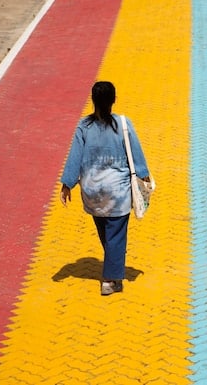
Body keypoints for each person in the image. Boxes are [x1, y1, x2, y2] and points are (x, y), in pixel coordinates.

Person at [60, 81, 150, 295]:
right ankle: (110, 280)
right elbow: (136, 153)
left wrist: (67, 184)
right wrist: (144, 176)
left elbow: (75, 155)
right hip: (117, 193)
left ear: (93, 100)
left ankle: (112, 266)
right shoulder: (123, 124)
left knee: (107, 234)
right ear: (114, 100)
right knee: (116, 235)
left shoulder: (84, 126)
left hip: (92, 192)